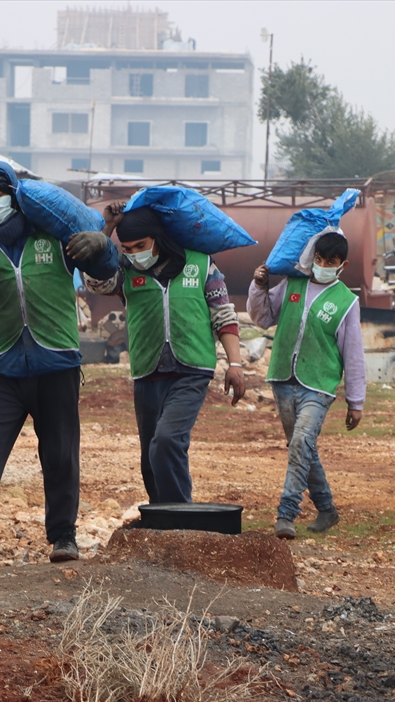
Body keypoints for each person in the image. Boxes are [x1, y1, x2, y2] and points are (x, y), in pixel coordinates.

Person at [0, 161, 118, 564]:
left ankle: (63, 537)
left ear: (15, 195)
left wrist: (103, 245)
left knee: (60, 454)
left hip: (57, 364)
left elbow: (105, 269)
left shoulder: (53, 234)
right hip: (4, 370)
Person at [86, 202, 245, 504]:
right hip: (148, 372)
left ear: (157, 238)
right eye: (128, 248)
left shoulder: (200, 264)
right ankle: (163, 518)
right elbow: (96, 283)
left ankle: (180, 517)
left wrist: (234, 363)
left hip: (192, 370)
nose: (134, 253)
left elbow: (223, 315)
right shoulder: (125, 271)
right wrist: (106, 230)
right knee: (151, 454)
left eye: (141, 246)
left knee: (167, 441)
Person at [249, 232, 365, 537]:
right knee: (302, 447)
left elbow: (353, 354)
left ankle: (286, 513)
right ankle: (326, 509)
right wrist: (259, 287)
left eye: (330, 262)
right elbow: (263, 317)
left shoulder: (346, 302)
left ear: (343, 265)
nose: (322, 265)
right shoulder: (292, 284)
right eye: (318, 259)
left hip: (319, 384)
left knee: (301, 444)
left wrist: (356, 401)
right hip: (283, 379)